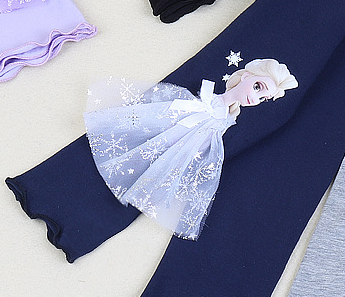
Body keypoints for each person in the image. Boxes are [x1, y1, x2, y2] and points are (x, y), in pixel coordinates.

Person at [83, 59, 298, 239]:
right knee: (147, 139)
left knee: (164, 169)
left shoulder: (228, 118)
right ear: (246, 77)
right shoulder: (212, 99)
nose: (256, 98)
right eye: (258, 87)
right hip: (178, 126)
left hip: (191, 146)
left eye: (263, 98)